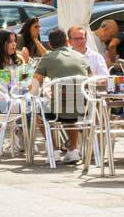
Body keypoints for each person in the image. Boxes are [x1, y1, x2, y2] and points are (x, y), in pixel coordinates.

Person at [30, 28, 89, 165]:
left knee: (40, 115)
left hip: (59, 109)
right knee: (70, 109)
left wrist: (31, 95)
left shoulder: (48, 58)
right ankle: (73, 150)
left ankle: (54, 151)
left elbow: (35, 85)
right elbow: (91, 80)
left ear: (50, 45)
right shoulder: (81, 57)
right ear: (67, 42)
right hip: (83, 108)